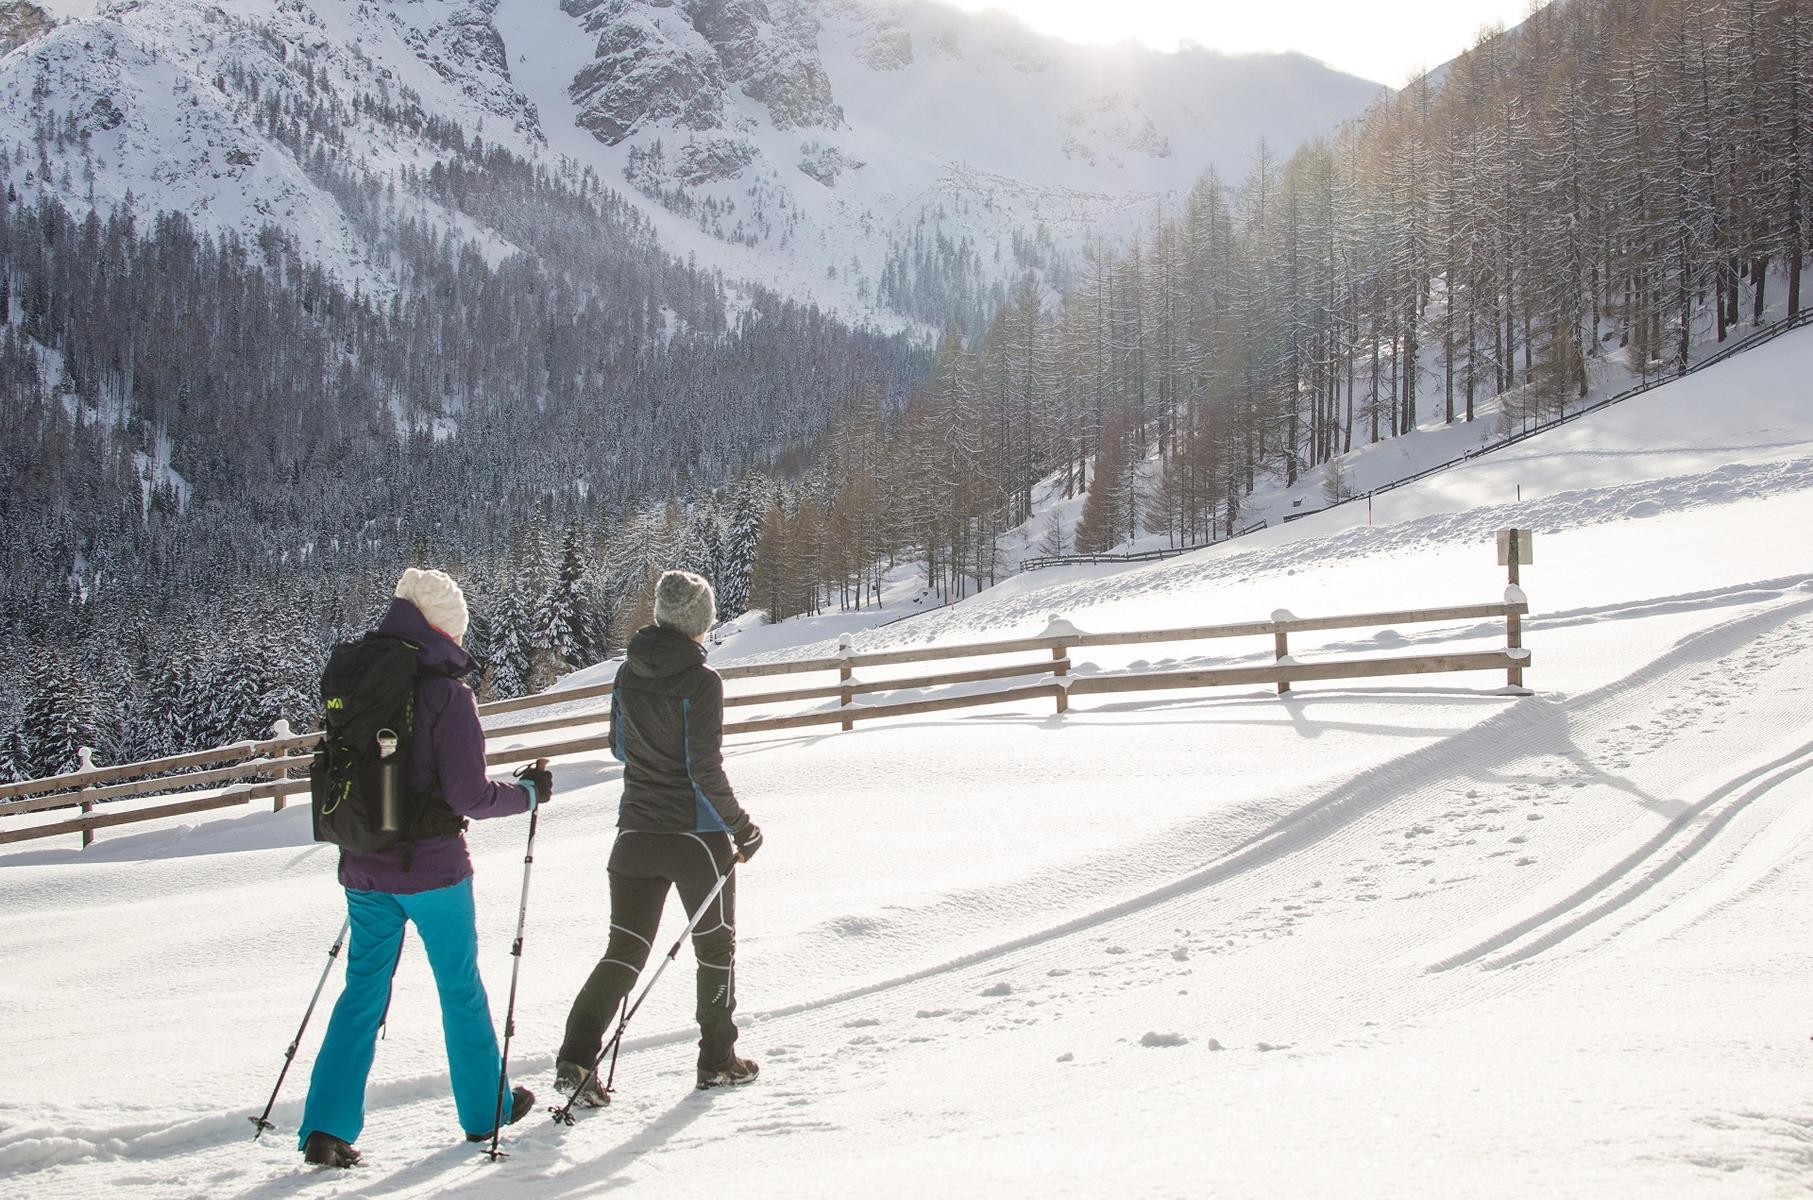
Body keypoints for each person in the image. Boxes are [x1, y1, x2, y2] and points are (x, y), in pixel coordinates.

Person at [298, 568, 553, 1168]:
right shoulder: (447, 692)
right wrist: (528, 793)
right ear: (445, 628)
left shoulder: (361, 674)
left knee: (361, 992)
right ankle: (483, 1111)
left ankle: (326, 1128)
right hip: (434, 871)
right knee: (459, 987)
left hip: (362, 865)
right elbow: (468, 795)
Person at [555, 569, 763, 1105]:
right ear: (701, 621)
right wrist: (742, 827)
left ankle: (576, 1058)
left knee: (624, 950)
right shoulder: (702, 681)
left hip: (633, 836)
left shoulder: (627, 674)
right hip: (696, 839)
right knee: (715, 948)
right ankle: (717, 1060)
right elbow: (704, 769)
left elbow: (619, 749)